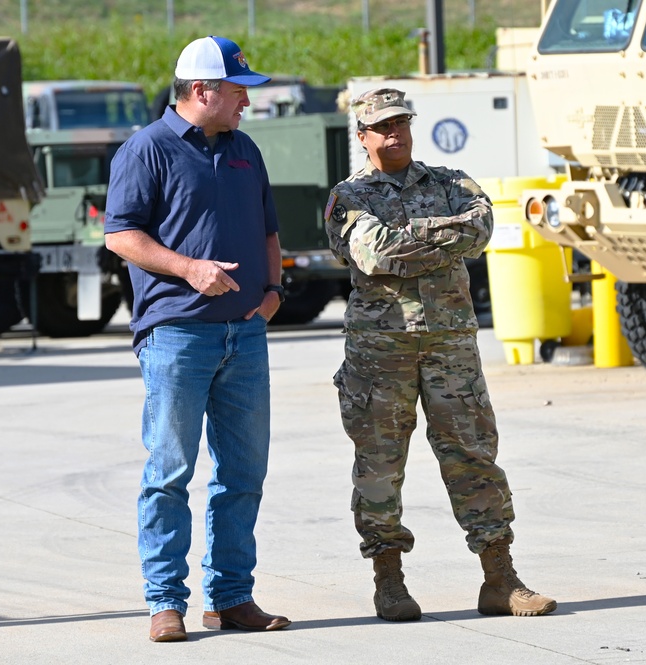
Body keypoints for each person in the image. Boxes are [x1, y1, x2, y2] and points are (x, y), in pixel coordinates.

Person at [324, 88, 557, 622]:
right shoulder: (348, 198)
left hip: (450, 349)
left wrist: (411, 238)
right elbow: (374, 253)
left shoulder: (452, 182)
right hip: (380, 356)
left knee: (474, 458)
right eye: (383, 127)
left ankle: (501, 579)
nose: (396, 133)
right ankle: (389, 581)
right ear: (362, 137)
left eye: (402, 122)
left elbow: (480, 231)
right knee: (380, 468)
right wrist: (438, 238)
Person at [104, 35, 290, 643]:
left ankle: (232, 597)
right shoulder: (146, 150)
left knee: (242, 473)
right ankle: (165, 602)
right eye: (238, 90)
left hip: (246, 336)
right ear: (202, 91)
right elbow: (120, 236)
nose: (246, 101)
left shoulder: (245, 150)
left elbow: (268, 230)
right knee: (169, 472)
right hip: (177, 335)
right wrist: (188, 268)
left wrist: (272, 294)